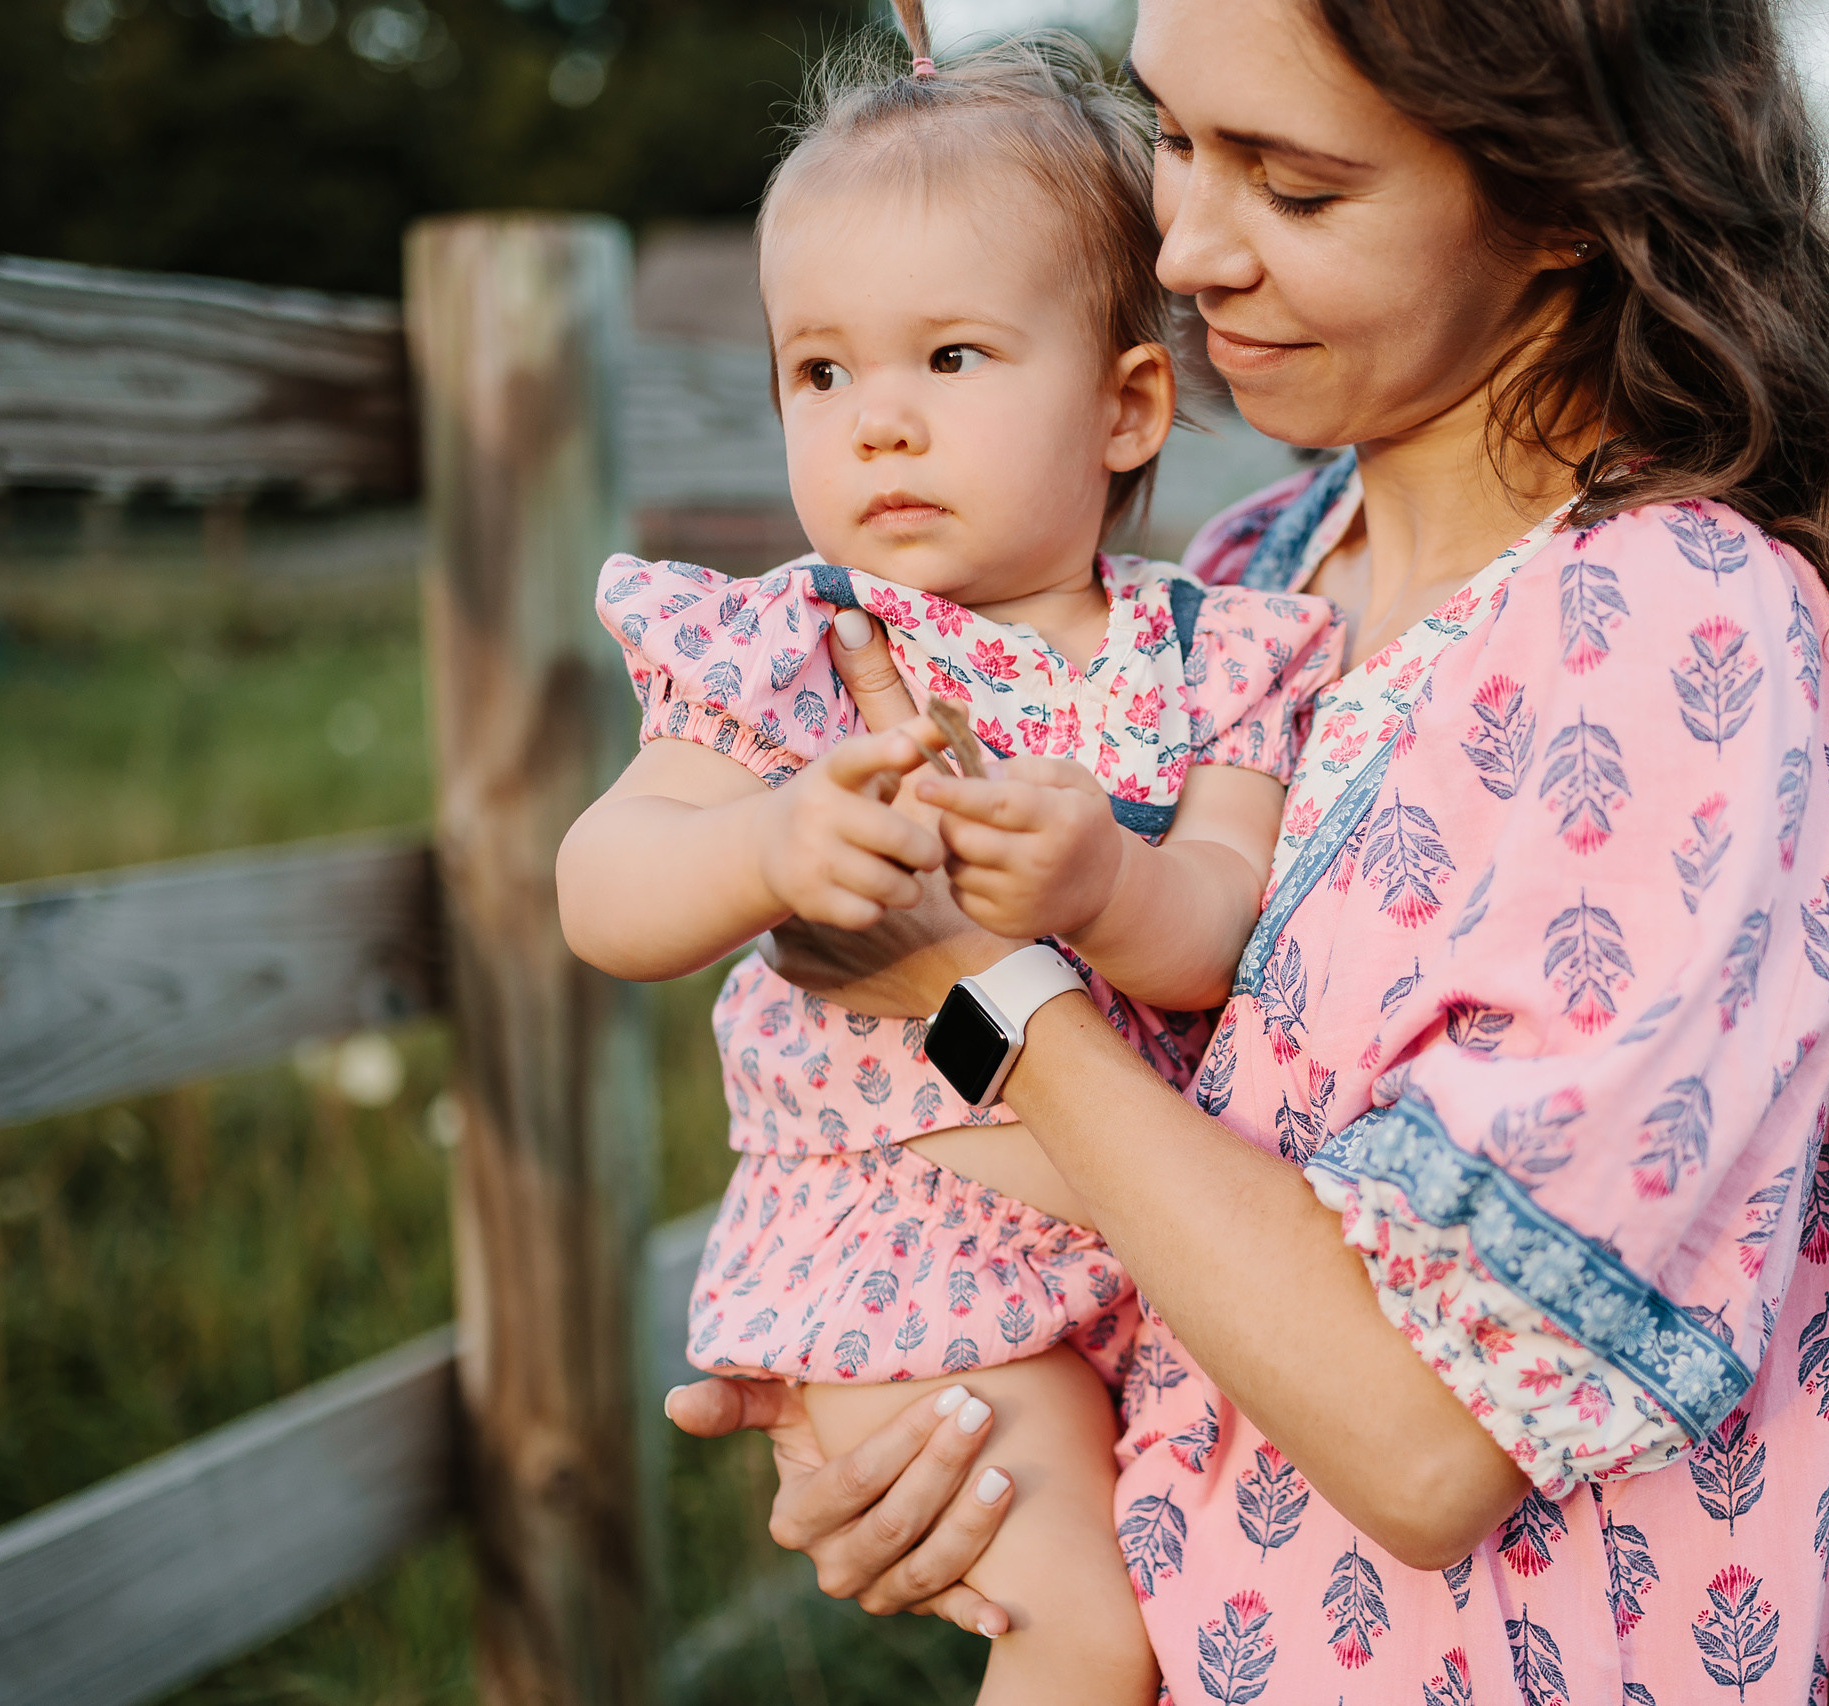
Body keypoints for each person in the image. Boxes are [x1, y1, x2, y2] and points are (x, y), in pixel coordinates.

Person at [667, 0, 1829, 1701]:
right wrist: (929, 1407)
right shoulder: (1249, 579)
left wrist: (981, 992)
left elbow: (1424, 1440)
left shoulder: (1658, 635)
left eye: (1296, 186)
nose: (1185, 248)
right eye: (1178, 139)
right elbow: (1166, 1212)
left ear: (1561, 199)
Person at [555, 11, 1341, 1703]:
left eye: (952, 359)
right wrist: (770, 839)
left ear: (1127, 404)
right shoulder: (793, 650)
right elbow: (605, 888)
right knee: (1089, 1634)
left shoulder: (1219, 654)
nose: (879, 426)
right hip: (911, 1235)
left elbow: (1218, 917)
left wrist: (1105, 890)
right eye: (821, 373)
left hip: (1174, 1240)